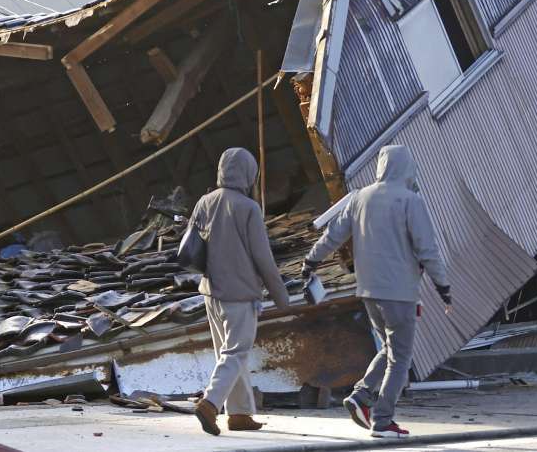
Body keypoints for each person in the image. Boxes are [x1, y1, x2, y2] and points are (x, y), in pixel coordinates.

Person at [303, 144, 450, 440]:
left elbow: (334, 235)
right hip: (399, 293)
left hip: (369, 291)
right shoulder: (411, 201)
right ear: (407, 168)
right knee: (401, 358)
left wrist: (311, 260)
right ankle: (382, 421)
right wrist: (442, 285)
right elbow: (427, 249)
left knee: (388, 348)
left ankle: (360, 395)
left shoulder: (360, 198)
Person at [191, 147, 290, 437]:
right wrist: (281, 297)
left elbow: (192, 245)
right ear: (249, 173)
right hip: (239, 293)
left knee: (229, 352)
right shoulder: (248, 208)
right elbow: (263, 258)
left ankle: (239, 414)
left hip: (210, 291)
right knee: (236, 352)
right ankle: (210, 403)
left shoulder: (204, 202)